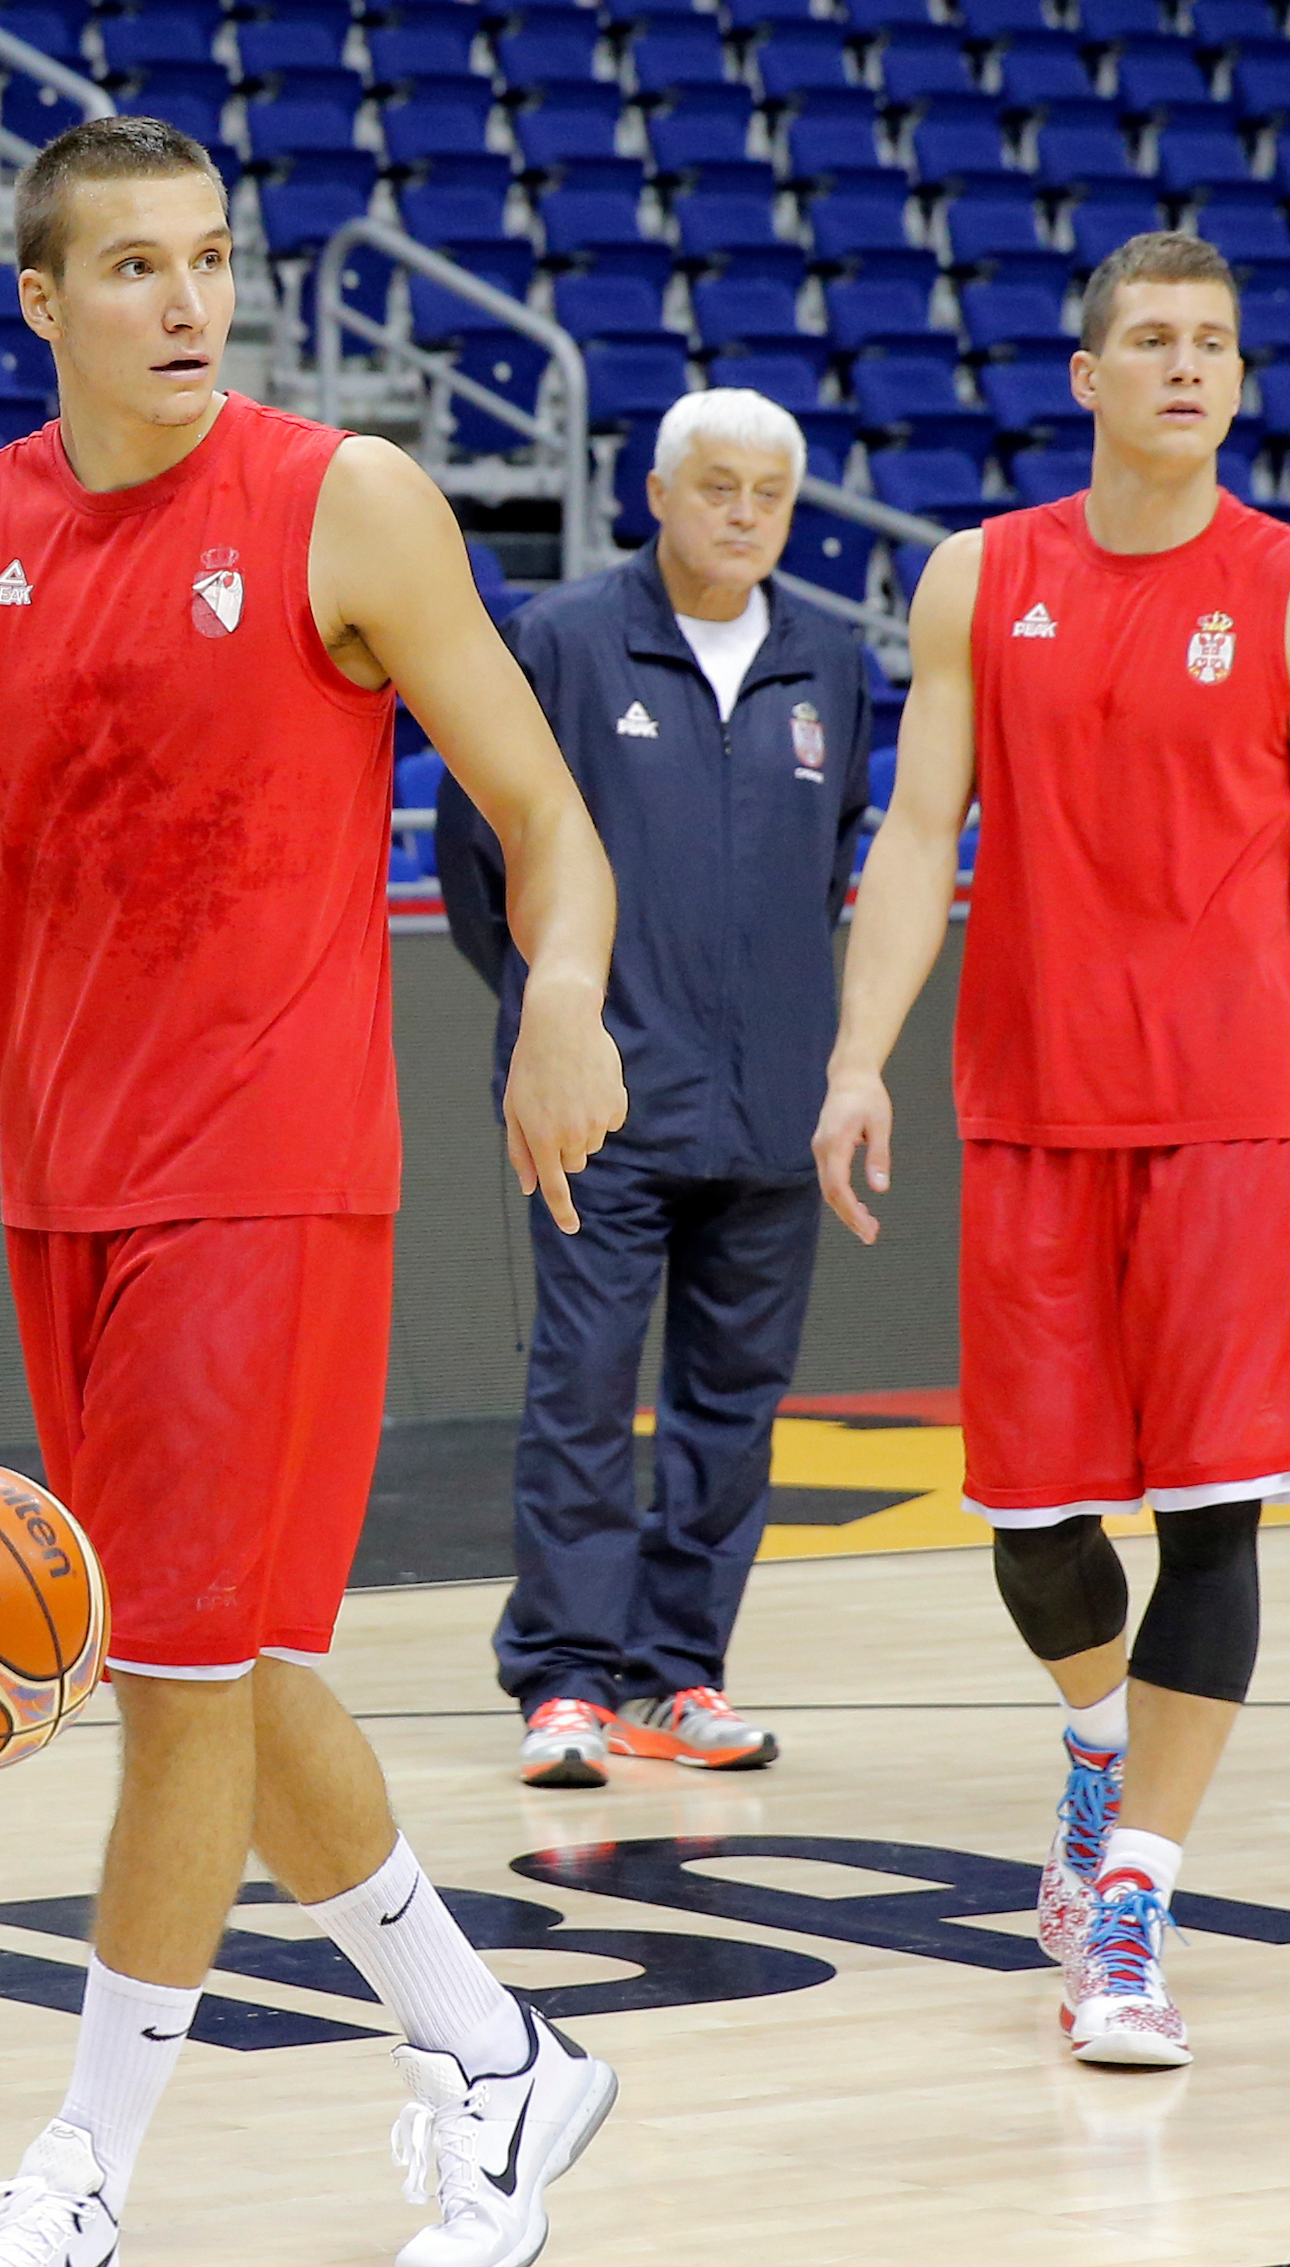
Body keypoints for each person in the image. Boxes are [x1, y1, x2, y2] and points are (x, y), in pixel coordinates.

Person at [0, 117, 628, 2267]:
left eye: (209, 262)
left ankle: (81, 2195)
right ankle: (500, 2060)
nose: (185, 302)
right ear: (38, 300)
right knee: (228, 1662)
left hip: (274, 1168)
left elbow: (543, 815)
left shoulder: (342, 500)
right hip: (66, 1176)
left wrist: (555, 998)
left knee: (163, 1681)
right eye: (133, 268)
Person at [813, 232, 1290, 2068]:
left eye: (1213, 342)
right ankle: (1095, 1752)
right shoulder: (982, 579)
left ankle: (1132, 1895)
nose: (1184, 366)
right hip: (1034, 1110)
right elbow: (916, 838)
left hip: (1232, 1117)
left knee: (1218, 1517)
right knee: (1039, 1527)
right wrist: (859, 1055)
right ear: (1087, 375)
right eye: (1149, 339)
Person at [437, 389, 872, 1790]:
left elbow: (832, 873)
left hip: (770, 1113)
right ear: (659, 492)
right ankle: (563, 1677)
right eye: (719, 488)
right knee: (580, 1389)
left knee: (732, 1407)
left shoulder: (834, 663)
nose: (745, 515)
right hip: (602, 1112)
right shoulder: (562, 641)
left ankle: (679, 1671)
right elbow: (481, 860)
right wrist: (561, 1025)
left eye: (771, 496)